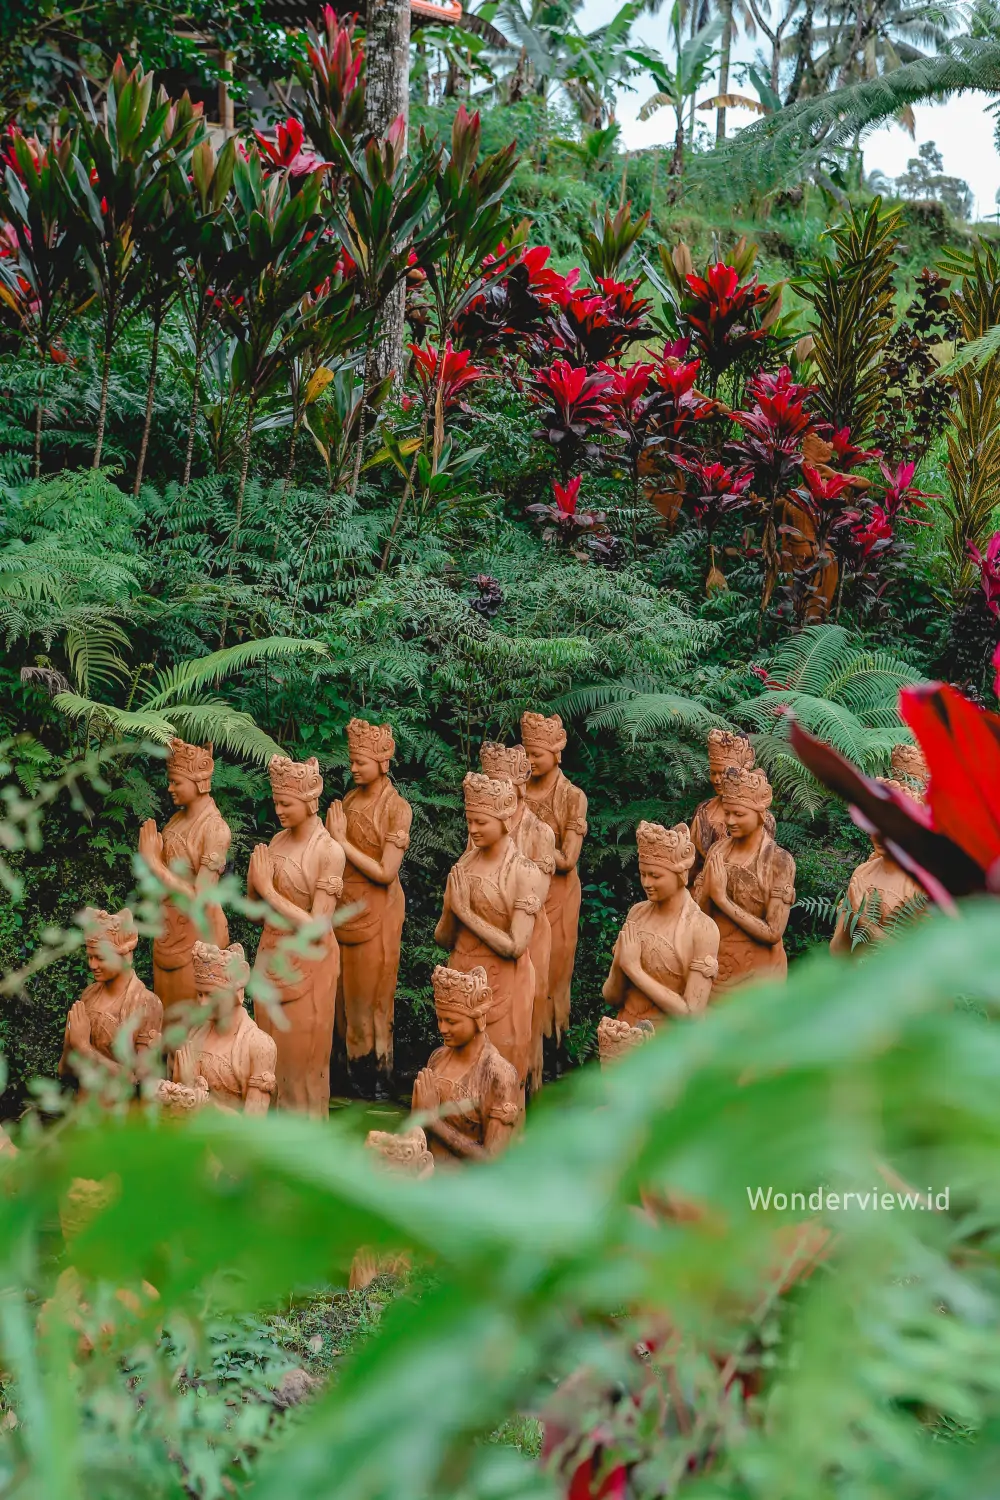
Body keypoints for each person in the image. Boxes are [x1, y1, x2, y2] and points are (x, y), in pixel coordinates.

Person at [434, 772, 546, 1091]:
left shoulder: (523, 872)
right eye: (469, 821)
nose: (472, 829)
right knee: (458, 1080)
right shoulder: (464, 864)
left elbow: (516, 945)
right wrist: (449, 908)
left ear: (503, 819)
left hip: (504, 983)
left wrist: (465, 912)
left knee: (500, 1080)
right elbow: (443, 938)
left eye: (481, 822)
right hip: (460, 982)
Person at [249, 755, 345, 1117]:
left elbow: (319, 928)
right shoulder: (276, 840)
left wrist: (269, 891)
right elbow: (258, 911)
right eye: (275, 802)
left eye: (285, 803)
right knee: (266, 1062)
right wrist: (255, 884)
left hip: (309, 966)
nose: (278, 810)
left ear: (307, 801)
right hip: (271, 957)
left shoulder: (328, 852)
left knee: (302, 1065)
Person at [326, 717, 411, 1097]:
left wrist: (341, 843)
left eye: (360, 761)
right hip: (343, 913)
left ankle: (374, 1080)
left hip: (377, 913)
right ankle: (346, 1079)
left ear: (382, 760)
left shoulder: (397, 809)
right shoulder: (347, 801)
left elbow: (386, 871)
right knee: (342, 1009)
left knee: (369, 1008)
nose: (354, 767)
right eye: (352, 761)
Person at [138, 738, 230, 1017]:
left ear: (198, 781)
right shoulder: (175, 821)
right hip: (167, 935)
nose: (170, 788)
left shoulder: (215, 829)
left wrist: (154, 863)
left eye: (176, 782)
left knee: (188, 1029)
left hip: (197, 940)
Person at [602, 821, 719, 1027]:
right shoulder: (637, 913)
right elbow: (611, 996)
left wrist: (634, 969)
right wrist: (620, 963)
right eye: (643, 874)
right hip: (626, 1030)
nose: (647, 883)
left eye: (655, 876)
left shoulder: (702, 928)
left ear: (679, 874)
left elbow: (692, 1014)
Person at [695, 767, 795, 991]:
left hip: (759, 975)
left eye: (739, 814)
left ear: (759, 814)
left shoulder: (778, 861)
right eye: (727, 812)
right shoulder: (717, 851)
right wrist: (708, 895)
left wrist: (722, 900)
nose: (730, 820)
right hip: (716, 969)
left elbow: (773, 932)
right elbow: (698, 915)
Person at [410, 964, 521, 1163]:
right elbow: (418, 1129)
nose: (443, 1028)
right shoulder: (437, 1058)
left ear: (477, 1019)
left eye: (452, 1022)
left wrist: (434, 1122)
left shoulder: (499, 1074)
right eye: (439, 1019)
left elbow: (493, 1160)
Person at [157, 941, 277, 1114]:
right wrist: (179, 1088)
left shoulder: (259, 1046)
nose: (203, 1003)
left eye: (211, 995)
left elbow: (253, 1128)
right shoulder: (195, 1033)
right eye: (200, 994)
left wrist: (197, 1098)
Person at [59, 908, 162, 1093]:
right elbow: (65, 1071)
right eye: (89, 957)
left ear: (125, 956)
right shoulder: (88, 995)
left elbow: (140, 1083)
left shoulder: (146, 1003)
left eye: (100, 958)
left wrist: (84, 1048)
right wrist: (70, 1042)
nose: (92, 965)